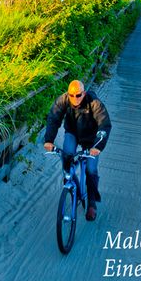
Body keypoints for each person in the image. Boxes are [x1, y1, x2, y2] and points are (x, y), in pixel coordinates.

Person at [43, 79, 112, 221]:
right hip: (73, 133)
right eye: (71, 95)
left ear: (84, 93)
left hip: (91, 138)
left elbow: (104, 125)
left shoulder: (94, 103)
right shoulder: (63, 100)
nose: (75, 98)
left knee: (91, 169)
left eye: (78, 95)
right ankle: (71, 185)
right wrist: (49, 140)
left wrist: (97, 147)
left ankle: (92, 203)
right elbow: (53, 119)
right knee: (67, 157)